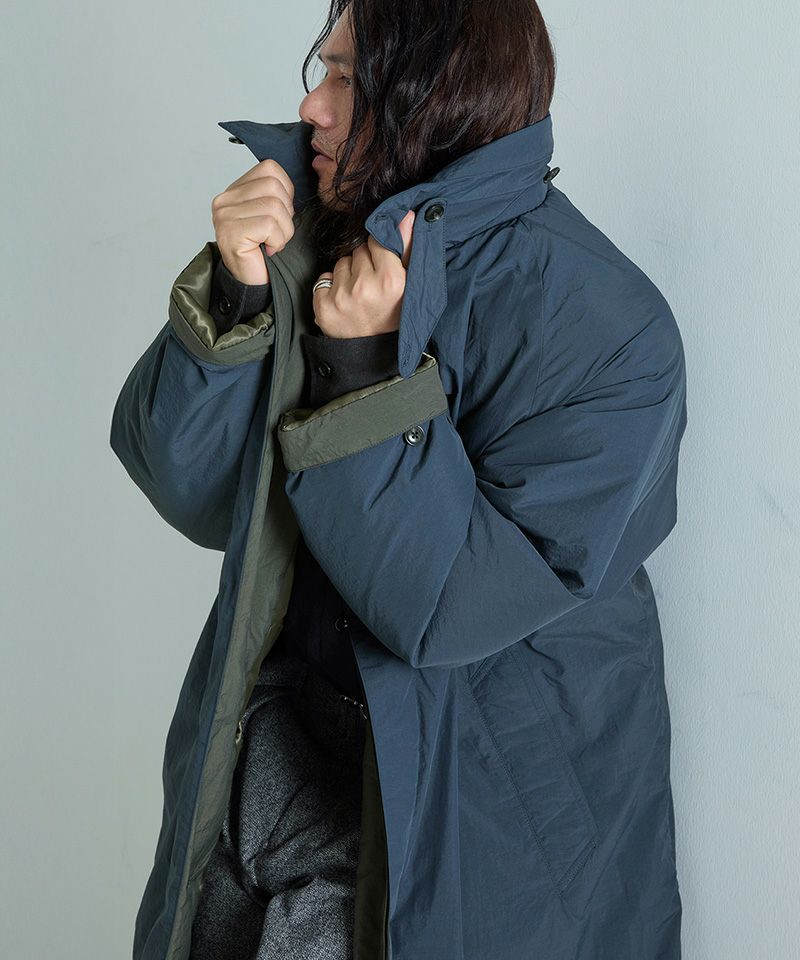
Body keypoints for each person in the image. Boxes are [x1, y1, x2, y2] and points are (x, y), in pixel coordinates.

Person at [110, 2, 688, 958]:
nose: (312, 104)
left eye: (346, 77)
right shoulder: (316, 232)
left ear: (436, 93)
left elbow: (448, 607)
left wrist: (365, 378)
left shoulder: (607, 328)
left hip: (451, 825)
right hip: (262, 755)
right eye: (322, 69)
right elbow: (191, 490)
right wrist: (238, 294)